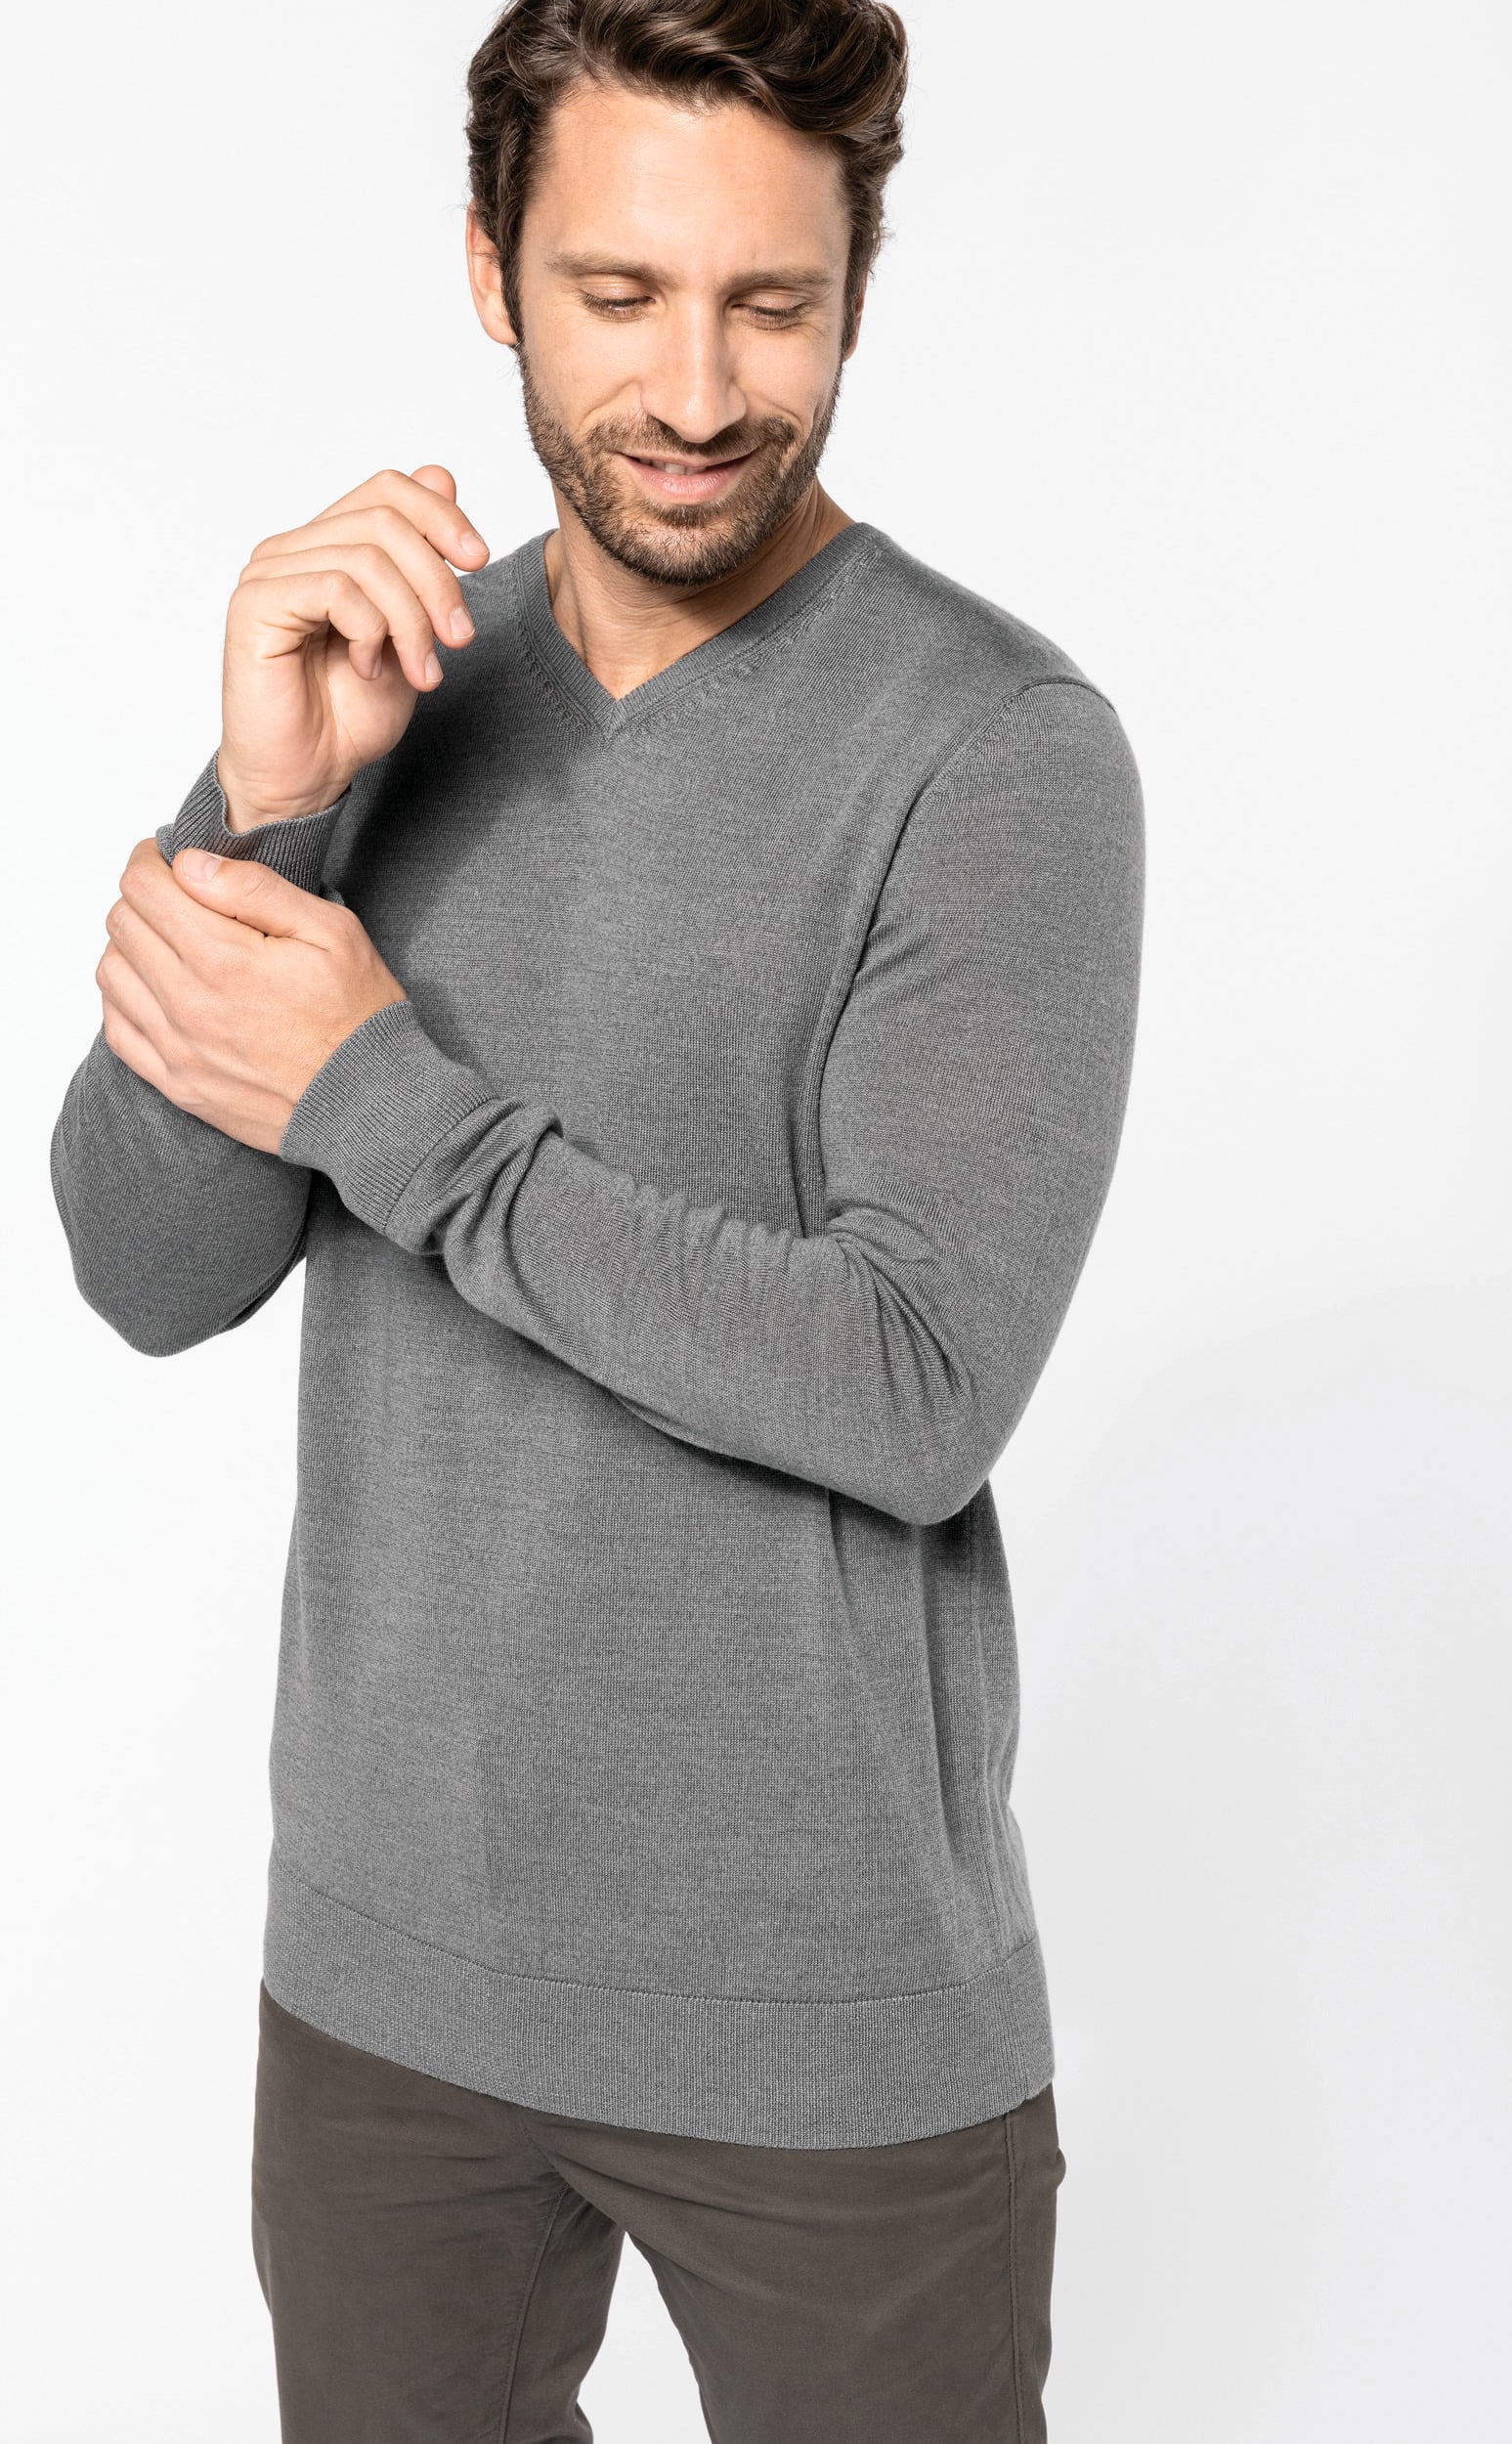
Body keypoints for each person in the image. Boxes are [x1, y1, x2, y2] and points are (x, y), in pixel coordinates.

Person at [48, 1, 1145, 2434]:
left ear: (854, 289)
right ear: (490, 268)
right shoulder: (388, 684)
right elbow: (143, 1265)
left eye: (772, 303)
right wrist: (265, 804)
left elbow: (913, 1379)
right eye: (617, 295)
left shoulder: (995, 751)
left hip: (820, 2016)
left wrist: (391, 1104)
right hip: (383, 1986)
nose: (697, 390)